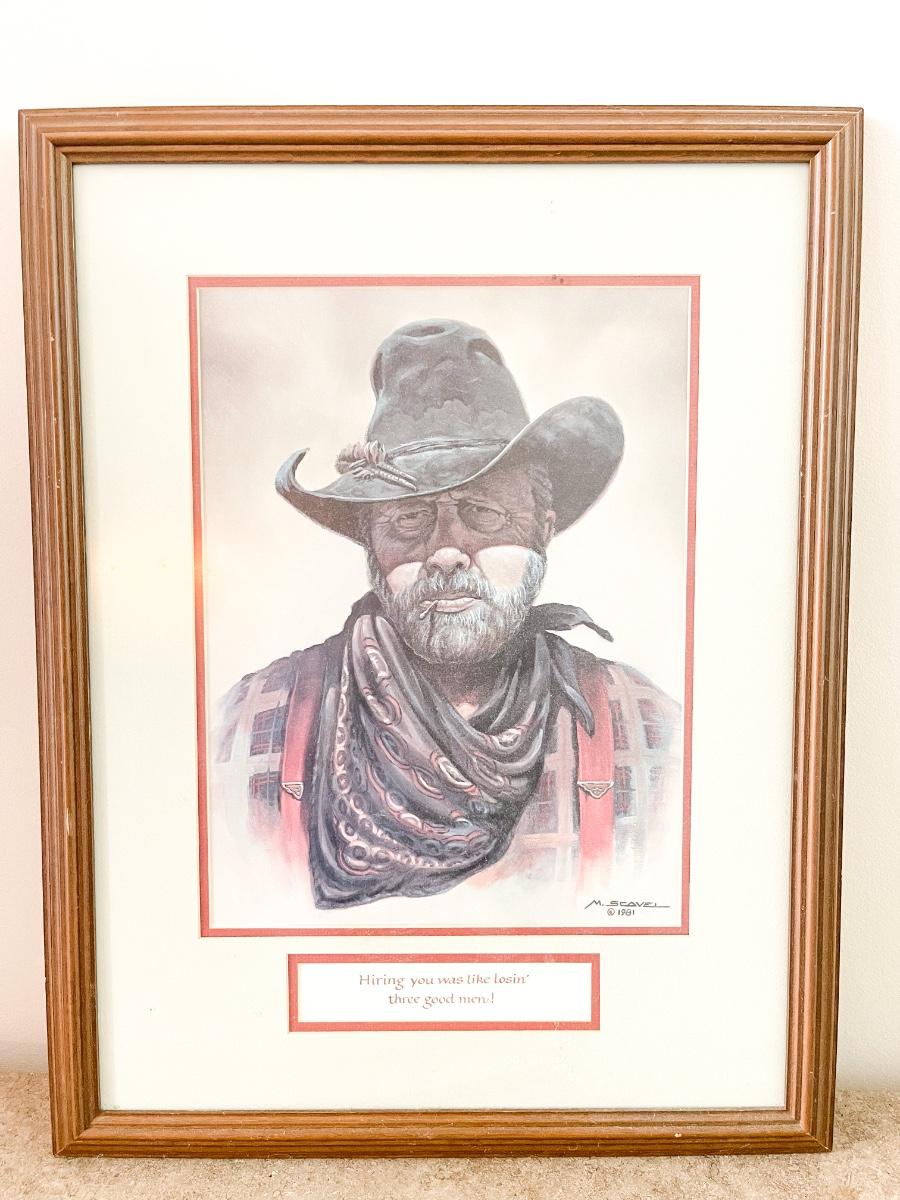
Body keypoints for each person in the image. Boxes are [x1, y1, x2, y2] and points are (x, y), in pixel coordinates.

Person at [212, 319, 680, 910]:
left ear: (541, 532)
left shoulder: (652, 735)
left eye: (484, 513)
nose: (448, 552)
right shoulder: (245, 730)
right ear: (371, 548)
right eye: (410, 520)